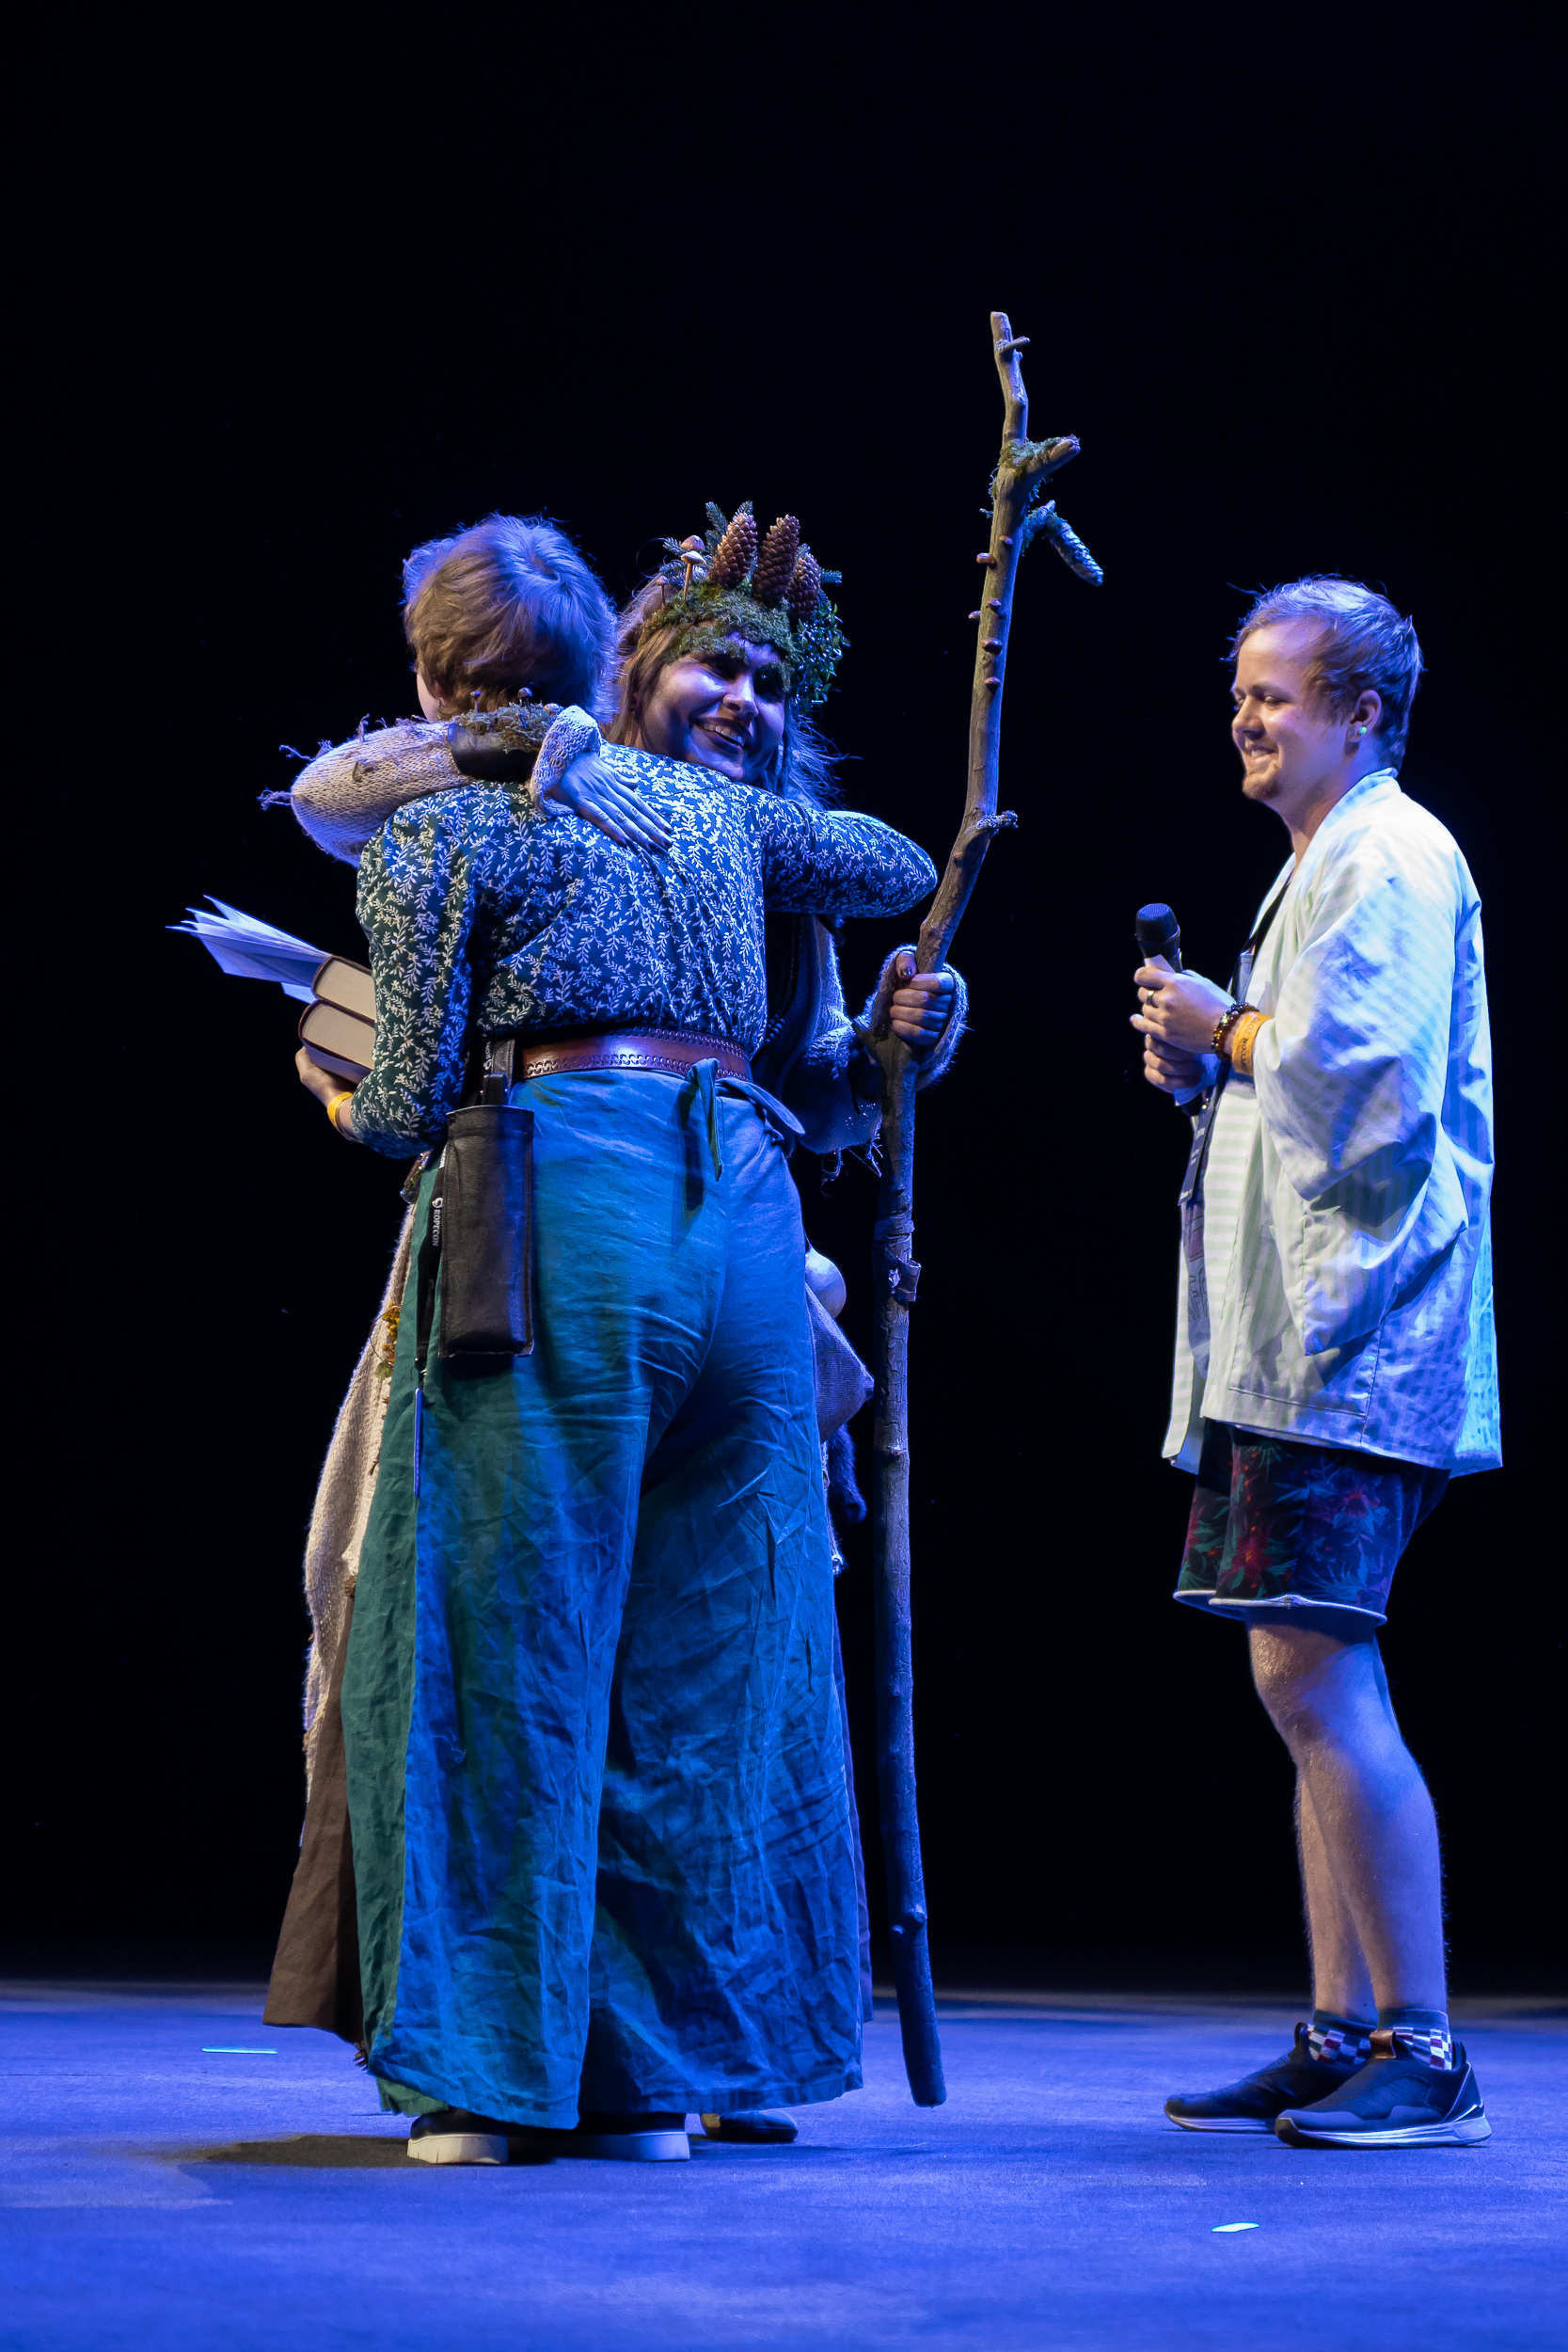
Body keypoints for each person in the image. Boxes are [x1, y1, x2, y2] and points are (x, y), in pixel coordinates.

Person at [273, 504, 958, 2165]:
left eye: (767, 681)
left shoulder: (455, 832)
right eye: (713, 669)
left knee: (507, 1633)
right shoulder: (722, 821)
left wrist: (332, 1079)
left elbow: (409, 1096)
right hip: (736, 1227)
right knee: (709, 1646)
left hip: (565, 1209)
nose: (742, 701)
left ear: (432, 685)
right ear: (615, 671)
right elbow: (895, 863)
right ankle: (653, 2079)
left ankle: (486, 2077)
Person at [1132, 578, 1498, 2151]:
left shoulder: (1389, 856)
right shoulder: (1322, 862)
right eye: (1242, 692)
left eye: (1275, 694)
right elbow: (1303, 1082)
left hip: (1355, 1339)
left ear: (1361, 711)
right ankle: (1344, 2029)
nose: (1246, 717)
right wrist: (1207, 1063)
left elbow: (1372, 1097)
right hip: (1295, 1343)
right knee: (1298, 1679)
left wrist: (1228, 1034)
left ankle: (1424, 2047)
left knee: (1314, 1672)